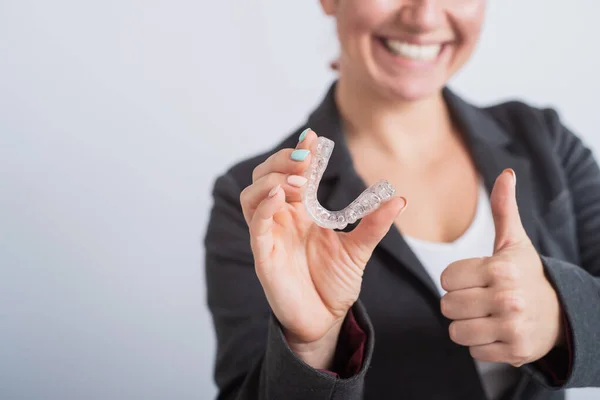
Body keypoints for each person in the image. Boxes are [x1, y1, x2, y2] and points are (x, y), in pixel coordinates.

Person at [204, 1, 600, 399]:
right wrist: (312, 347)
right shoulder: (261, 207)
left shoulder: (546, 142)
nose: (424, 16)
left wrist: (564, 319)